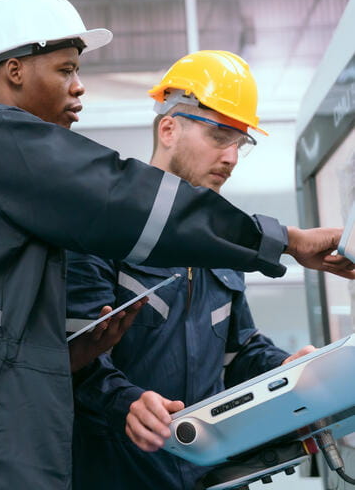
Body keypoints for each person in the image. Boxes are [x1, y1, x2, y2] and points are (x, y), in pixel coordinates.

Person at [0, 0, 353, 490]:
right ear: (15, 70)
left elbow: (233, 352)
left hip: (9, 429)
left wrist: (289, 372)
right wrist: (283, 240)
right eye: (66, 70)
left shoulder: (8, 175)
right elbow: (122, 196)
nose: (79, 88)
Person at [66, 50, 319, 489]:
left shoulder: (224, 246)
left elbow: (239, 353)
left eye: (240, 143)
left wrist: (287, 371)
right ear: (169, 129)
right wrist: (125, 403)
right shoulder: (99, 233)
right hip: (116, 475)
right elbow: (72, 361)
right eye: (220, 135)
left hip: (207, 476)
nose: (232, 157)